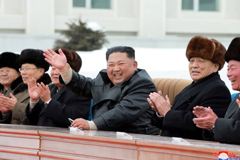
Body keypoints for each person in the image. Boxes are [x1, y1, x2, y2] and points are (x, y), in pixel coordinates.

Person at [43, 46, 160, 135]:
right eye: (111, 64)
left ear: (134, 65)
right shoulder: (104, 78)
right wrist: (64, 69)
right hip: (105, 135)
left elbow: (123, 112)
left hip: (136, 138)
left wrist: (92, 124)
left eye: (121, 64)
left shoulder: (143, 84)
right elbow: (84, 85)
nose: (116, 69)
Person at [148, 36, 231, 140]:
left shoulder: (218, 90)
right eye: (191, 61)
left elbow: (199, 123)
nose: (194, 65)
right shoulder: (190, 87)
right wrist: (160, 112)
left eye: (201, 61)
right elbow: (167, 123)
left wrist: (167, 112)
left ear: (215, 66)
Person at [25, 49, 91, 127]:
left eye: (59, 69)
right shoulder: (49, 88)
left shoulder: (80, 91)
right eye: (53, 68)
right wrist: (34, 101)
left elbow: (73, 118)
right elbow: (34, 120)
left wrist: (48, 101)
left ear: (70, 71)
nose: (55, 73)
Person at [193, 37, 240, 144]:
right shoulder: (236, 98)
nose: (228, 74)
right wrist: (211, 125)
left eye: (233, 68)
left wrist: (216, 123)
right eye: (228, 69)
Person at [0, 49, 51, 124]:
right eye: (22, 69)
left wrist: (15, 107)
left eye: (27, 68)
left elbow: (42, 116)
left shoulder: (48, 89)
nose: (23, 73)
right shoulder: (19, 89)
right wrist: (4, 113)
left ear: (40, 71)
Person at [0, 52, 23, 123]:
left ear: (19, 74)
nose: (4, 74)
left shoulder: (23, 91)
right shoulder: (2, 90)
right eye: (1, 71)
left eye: (8, 70)